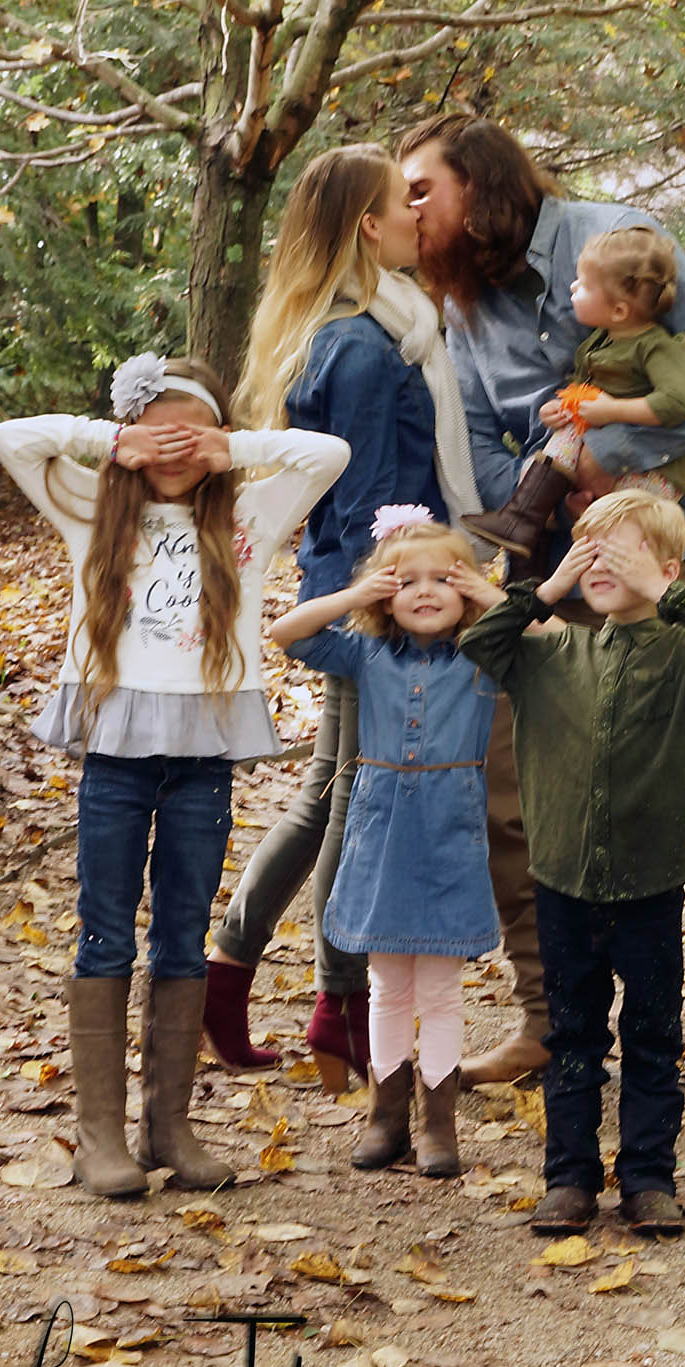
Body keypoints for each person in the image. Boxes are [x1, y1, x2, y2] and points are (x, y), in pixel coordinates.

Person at [399, 114, 685, 1109]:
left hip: (656, 563)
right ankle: (548, 1020)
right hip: (543, 577)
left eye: (422, 188)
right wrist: (513, 537)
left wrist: (609, 463)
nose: (408, 208)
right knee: (506, 793)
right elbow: (472, 444)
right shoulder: (459, 303)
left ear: (480, 183)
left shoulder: (616, 241)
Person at [0, 356, 349, 1197]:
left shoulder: (249, 514)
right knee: (106, 929)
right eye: (160, 434)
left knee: (184, 932)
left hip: (202, 758)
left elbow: (327, 453)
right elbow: (11, 438)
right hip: (115, 753)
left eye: (194, 435)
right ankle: (100, 1138)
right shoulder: (89, 505)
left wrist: (234, 448)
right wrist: (113, 441)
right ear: (130, 438)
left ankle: (169, 1128)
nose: (176, 450)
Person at [205, 145, 484, 1092]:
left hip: (368, 589)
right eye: (402, 201)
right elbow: (367, 508)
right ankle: (337, 1001)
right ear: (369, 226)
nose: (418, 213)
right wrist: (393, 606)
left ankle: (237, 980)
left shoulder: (365, 326)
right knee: (352, 796)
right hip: (375, 600)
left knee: (331, 790)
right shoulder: (362, 346)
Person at [461, 491, 685, 1233]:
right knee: (572, 1036)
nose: (601, 561)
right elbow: (480, 641)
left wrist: (660, 590)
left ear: (667, 570)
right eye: (588, 546)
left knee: (653, 1036)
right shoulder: (549, 653)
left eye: (622, 550)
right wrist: (547, 587)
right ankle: (570, 1178)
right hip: (563, 884)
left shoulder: (684, 655)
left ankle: (649, 1178)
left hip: (650, 884)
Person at [271, 512, 501, 1177]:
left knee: (441, 989)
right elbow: (287, 633)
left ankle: (438, 1126)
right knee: (387, 985)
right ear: (385, 594)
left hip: (449, 832)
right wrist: (354, 595)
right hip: (382, 830)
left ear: (465, 590)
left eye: (444, 579)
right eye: (407, 581)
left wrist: (487, 595)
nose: (425, 591)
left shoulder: (484, 656)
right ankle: (386, 1116)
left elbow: (547, 638)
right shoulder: (365, 654)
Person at [463, 225, 685, 559]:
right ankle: (523, 520)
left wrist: (612, 410)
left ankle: (537, 524)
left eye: (584, 284)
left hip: (654, 469)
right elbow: (583, 392)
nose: (572, 288)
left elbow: (676, 403)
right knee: (560, 440)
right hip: (602, 449)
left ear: (619, 310)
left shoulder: (658, 346)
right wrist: (559, 409)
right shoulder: (599, 342)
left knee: (626, 534)